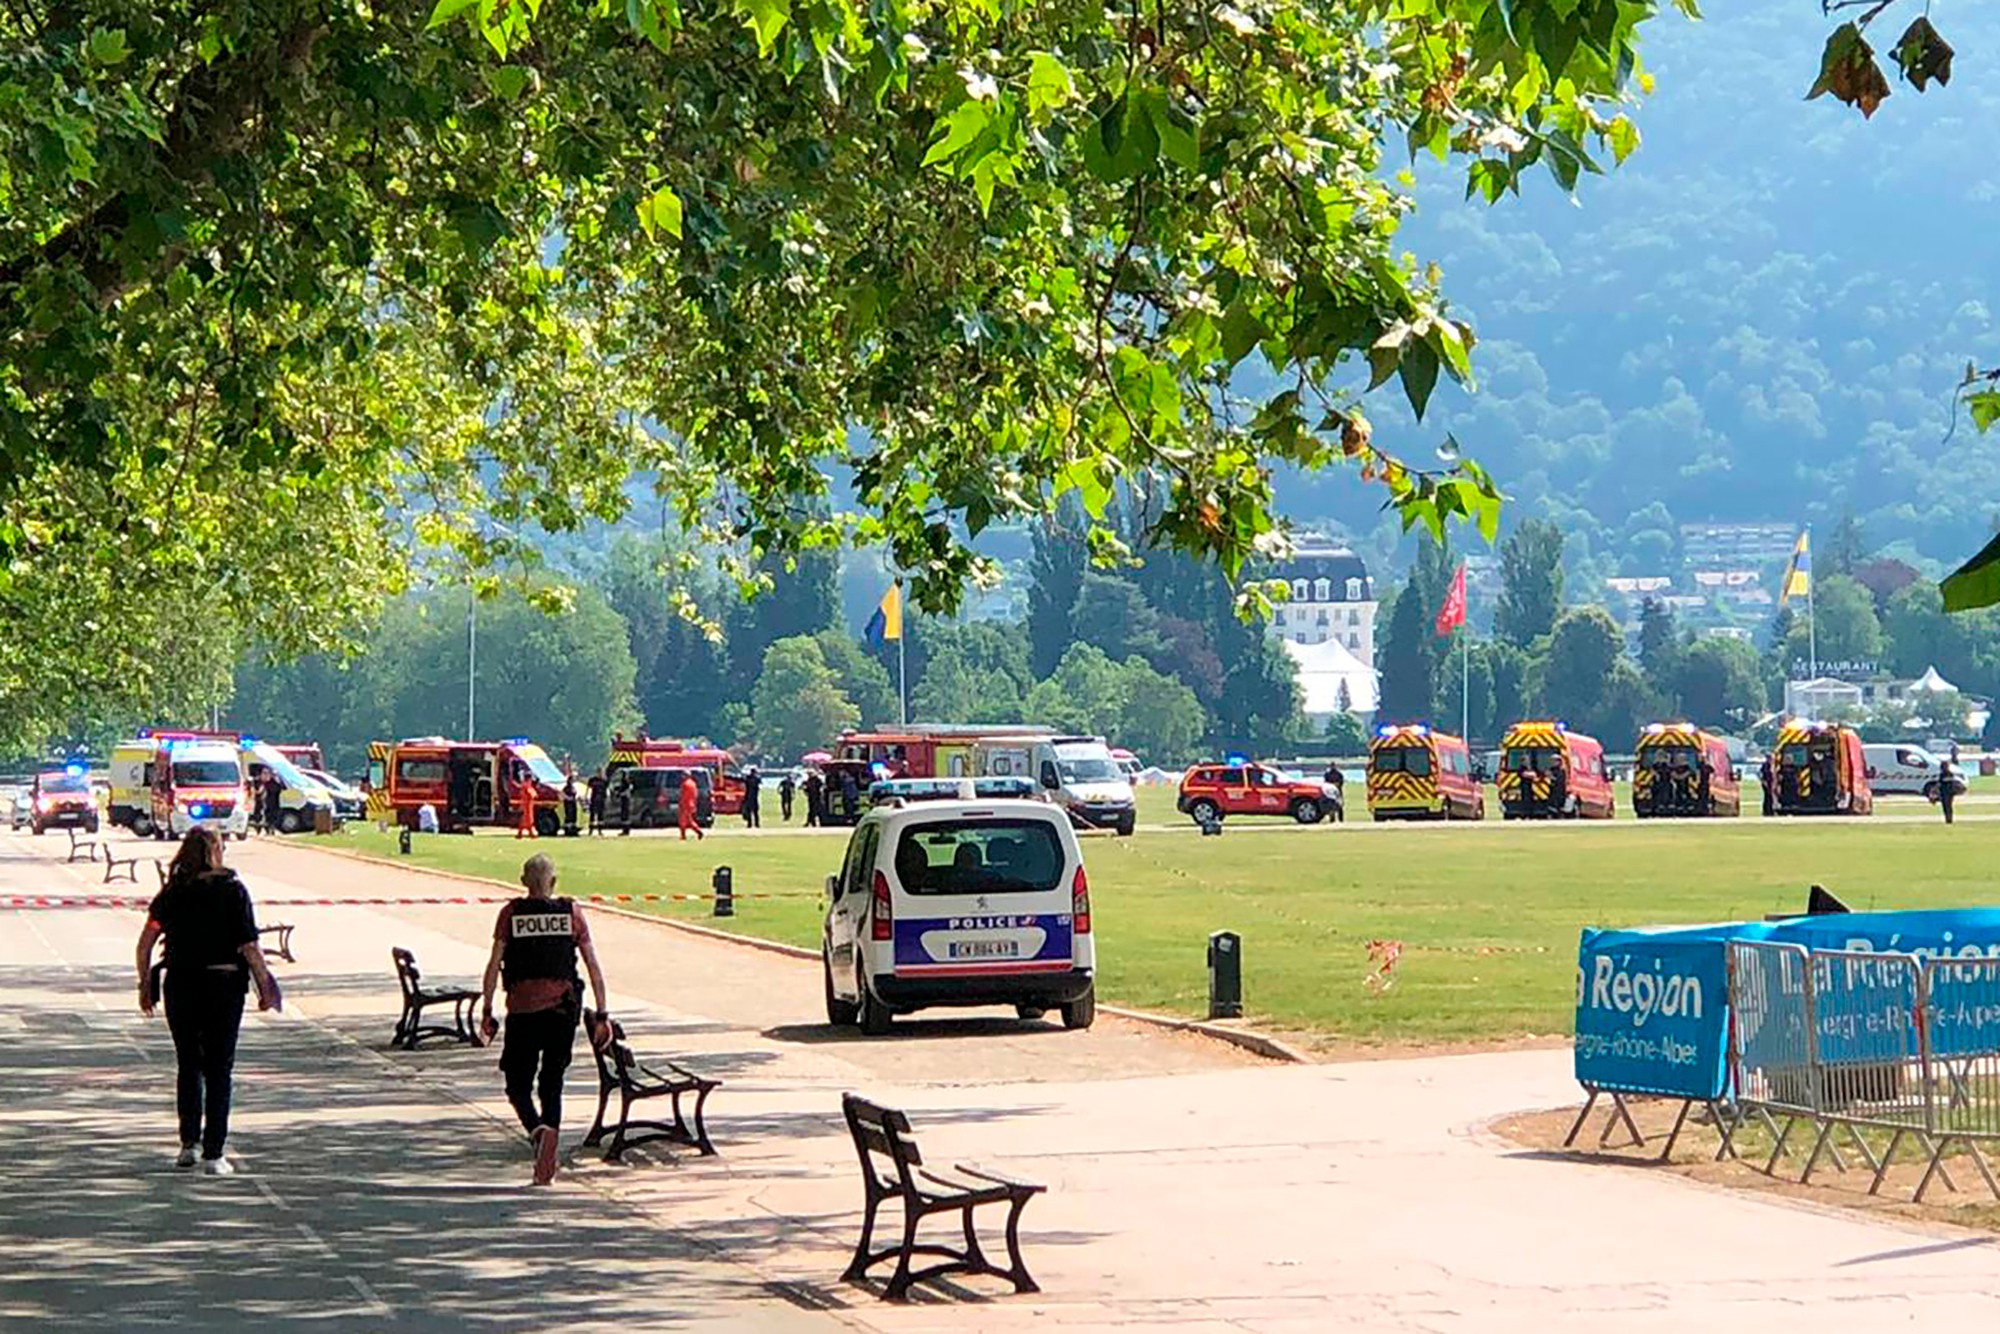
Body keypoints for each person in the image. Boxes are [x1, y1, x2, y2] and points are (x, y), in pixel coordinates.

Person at [135, 830, 282, 1175]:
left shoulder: (173, 892)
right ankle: (214, 1153)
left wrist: (144, 982)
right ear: (217, 851)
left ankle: (188, 1144)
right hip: (223, 984)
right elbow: (249, 945)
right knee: (219, 1067)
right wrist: (265, 986)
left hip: (181, 984)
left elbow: (146, 941)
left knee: (188, 1064)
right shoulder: (233, 891)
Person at [478, 855, 612, 1186]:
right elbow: (593, 966)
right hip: (561, 1013)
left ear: (524, 881)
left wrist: (487, 1009)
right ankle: (547, 1143)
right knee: (552, 1082)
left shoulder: (510, 915)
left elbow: (494, 964)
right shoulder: (571, 913)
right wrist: (602, 1013)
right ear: (554, 882)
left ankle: (538, 1135)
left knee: (517, 1084)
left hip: (523, 1012)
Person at [678, 772, 703, 842]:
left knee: (682, 821)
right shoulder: (693, 784)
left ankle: (683, 836)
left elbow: (683, 795)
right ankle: (698, 831)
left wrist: (681, 804)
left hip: (686, 804)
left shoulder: (685, 784)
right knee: (689, 821)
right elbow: (695, 794)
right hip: (691, 804)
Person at [514, 774, 537, 840]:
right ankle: (530, 834)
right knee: (528, 820)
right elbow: (532, 794)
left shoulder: (526, 785)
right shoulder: (526, 786)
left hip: (527, 804)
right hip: (527, 805)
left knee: (525, 820)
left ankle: (520, 834)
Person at [586, 769, 608, 836]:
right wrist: (587, 797)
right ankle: (590, 830)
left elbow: (606, 791)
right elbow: (588, 789)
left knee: (600, 816)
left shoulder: (604, 781)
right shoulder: (592, 780)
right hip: (593, 800)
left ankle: (600, 831)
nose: (600, 774)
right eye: (599, 773)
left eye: (601, 773)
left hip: (601, 800)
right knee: (592, 816)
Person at [1938, 758, 1960, 825]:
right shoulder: (1942, 774)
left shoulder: (1949, 774)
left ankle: (1949, 819)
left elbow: (1949, 782)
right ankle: (1947, 819)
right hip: (1944, 792)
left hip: (1948, 792)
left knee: (1948, 806)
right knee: (1945, 806)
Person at [1759, 753, 1775, 817]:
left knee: (1770, 797)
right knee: (1768, 797)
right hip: (1767, 783)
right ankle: (1767, 811)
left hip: (1770, 783)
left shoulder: (1771, 765)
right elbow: (1762, 774)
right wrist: (1764, 781)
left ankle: (1770, 810)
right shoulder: (1765, 765)